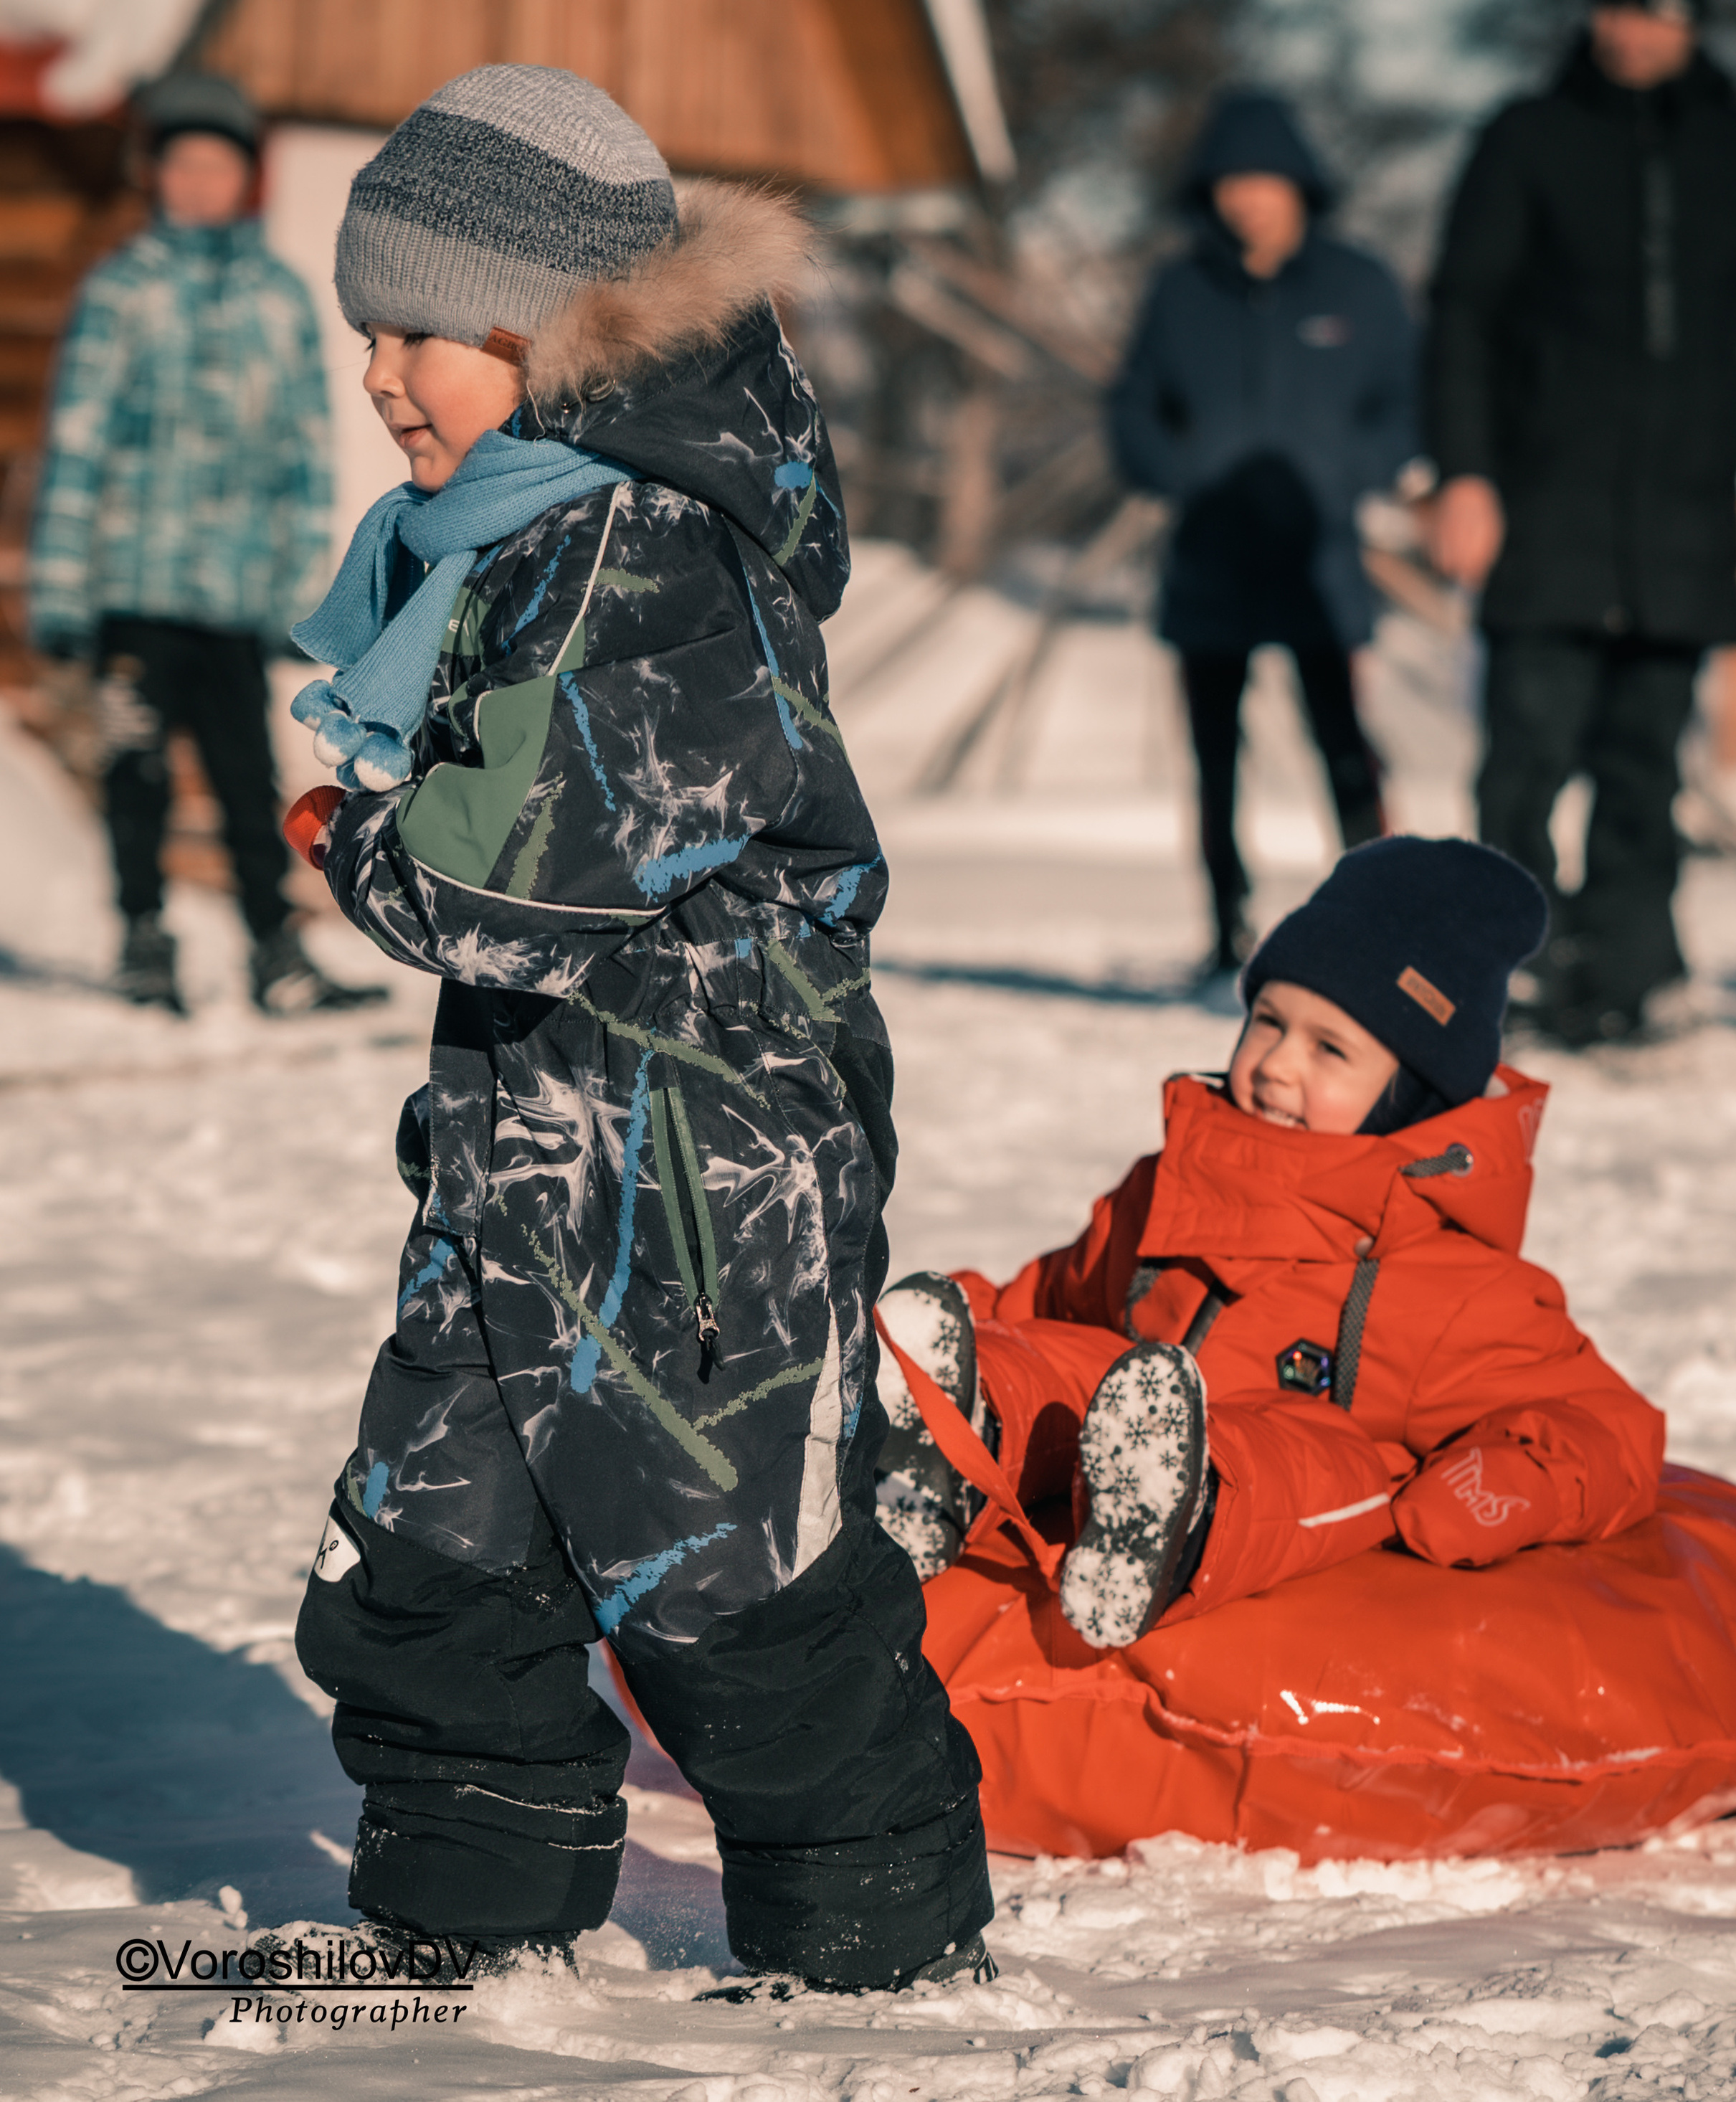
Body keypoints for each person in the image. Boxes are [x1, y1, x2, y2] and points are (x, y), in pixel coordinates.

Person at [288, 67, 992, 1990]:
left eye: (417, 332)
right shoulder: (527, 539)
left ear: (548, 331)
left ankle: (877, 1949)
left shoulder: (661, 559)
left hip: (704, 1194)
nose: (384, 378)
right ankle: (465, 1921)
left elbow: (497, 878)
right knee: (436, 1565)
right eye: (369, 336)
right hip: (528, 1159)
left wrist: (354, 836)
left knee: (737, 1597)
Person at [873, 838, 1666, 1649]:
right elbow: (1052, 1297)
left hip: (1279, 1500)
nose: (1277, 1066)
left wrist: (1496, 1487)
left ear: (1412, 1094)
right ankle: (955, 1434)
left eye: (1329, 1049)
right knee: (1079, 1359)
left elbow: (1606, 1428)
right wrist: (967, 1330)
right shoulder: (1172, 1186)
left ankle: (1176, 1520)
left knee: (1321, 1448)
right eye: (1268, 1023)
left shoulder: (1452, 1286)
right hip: (1117, 1425)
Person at [1425, 1, 1736, 1045]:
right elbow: (1463, 309)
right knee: (1525, 755)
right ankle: (1505, 966)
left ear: (1693, 20)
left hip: (1683, 515)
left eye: (1657, 10)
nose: (1634, 30)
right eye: (1616, 6)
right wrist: (1465, 474)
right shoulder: (1528, 137)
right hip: (1545, 503)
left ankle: (1631, 969)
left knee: (1646, 761)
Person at [28, 72, 380, 1018]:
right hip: (131, 584)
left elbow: (307, 458)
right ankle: (144, 941)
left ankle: (277, 952)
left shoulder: (279, 300)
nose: (196, 182)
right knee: (133, 767)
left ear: (245, 180)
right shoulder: (123, 291)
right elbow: (77, 442)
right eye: (179, 164)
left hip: (235, 594)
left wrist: (305, 599)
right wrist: (62, 593)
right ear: (156, 175)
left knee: (245, 775)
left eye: (216, 166)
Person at [1109, 92, 1417, 973]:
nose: (1245, 199)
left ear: (1299, 185)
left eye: (1262, 180)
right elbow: (1132, 404)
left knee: (1347, 748)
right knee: (1215, 759)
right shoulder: (1180, 289)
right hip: (1210, 560)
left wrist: (1349, 473)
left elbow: (1405, 403)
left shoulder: (1358, 285)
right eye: (1228, 182)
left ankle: (1373, 919)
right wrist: (1178, 475)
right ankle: (1224, 926)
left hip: (1319, 559)